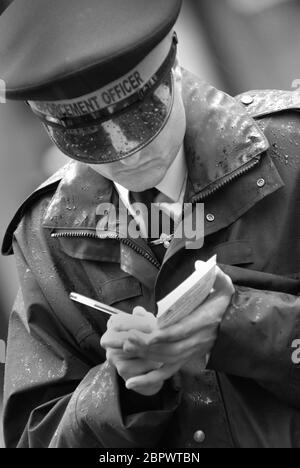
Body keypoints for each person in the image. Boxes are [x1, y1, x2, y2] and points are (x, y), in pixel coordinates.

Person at [1, 0, 300, 449]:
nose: (126, 154)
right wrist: (121, 391)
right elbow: (34, 437)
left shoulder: (291, 150)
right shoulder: (46, 233)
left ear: (174, 66)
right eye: (89, 140)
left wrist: (241, 326)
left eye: (141, 120)